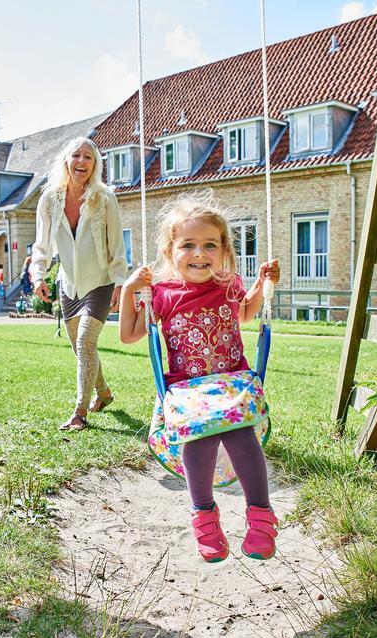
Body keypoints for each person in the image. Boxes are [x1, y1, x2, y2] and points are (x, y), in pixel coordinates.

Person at [117, 191, 281, 563]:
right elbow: (128, 334)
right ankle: (205, 519)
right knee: (199, 437)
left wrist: (262, 285)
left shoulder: (228, 285)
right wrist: (130, 290)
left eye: (209, 245)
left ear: (224, 250)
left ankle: (261, 518)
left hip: (232, 383)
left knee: (241, 434)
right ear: (169, 251)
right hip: (187, 392)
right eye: (188, 245)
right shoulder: (161, 294)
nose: (199, 253)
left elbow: (245, 314)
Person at [30, 137, 127, 431]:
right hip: (68, 283)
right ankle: (104, 393)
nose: (82, 161)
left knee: (86, 342)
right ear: (66, 161)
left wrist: (121, 283)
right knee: (81, 347)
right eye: (76, 155)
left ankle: (79, 412)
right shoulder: (50, 198)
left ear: (95, 165)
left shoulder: (104, 197)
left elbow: (116, 245)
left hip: (100, 282)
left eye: (88, 157)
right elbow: (42, 243)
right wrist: (38, 275)